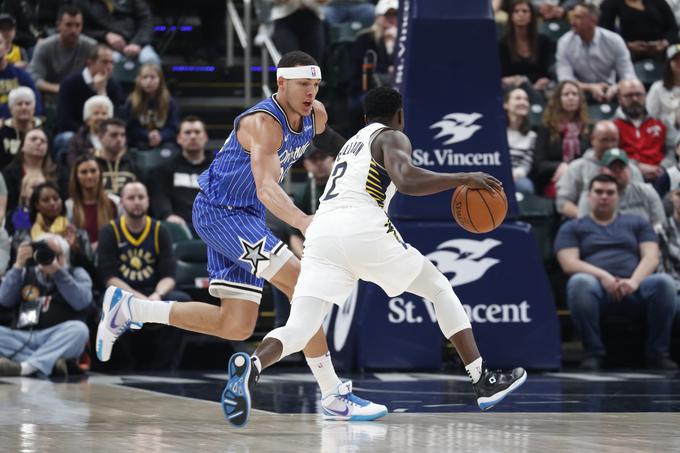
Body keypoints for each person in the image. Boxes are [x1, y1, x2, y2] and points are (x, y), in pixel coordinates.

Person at [95, 51, 385, 420]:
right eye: (303, 85)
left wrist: (367, 156)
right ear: (281, 83)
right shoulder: (263, 123)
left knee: (236, 323)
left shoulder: (317, 113)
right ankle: (332, 394)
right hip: (220, 213)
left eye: (315, 85)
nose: (310, 92)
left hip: (245, 216)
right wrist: (302, 220)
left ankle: (130, 308)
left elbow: (329, 142)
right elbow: (266, 187)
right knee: (302, 284)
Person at [222, 86, 527, 427]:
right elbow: (407, 180)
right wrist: (465, 176)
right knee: (439, 288)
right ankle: (481, 377)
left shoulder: (354, 143)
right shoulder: (392, 137)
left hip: (321, 230)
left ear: (366, 117)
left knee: (300, 327)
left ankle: (254, 363)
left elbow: (332, 144)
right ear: (400, 116)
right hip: (361, 224)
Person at [555, 173, 677, 370]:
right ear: (588, 196)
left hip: (635, 288)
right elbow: (569, 263)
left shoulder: (637, 223)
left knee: (664, 283)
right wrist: (604, 276)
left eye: (610, 192)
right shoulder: (572, 227)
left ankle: (658, 353)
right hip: (596, 290)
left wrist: (634, 282)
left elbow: (651, 257)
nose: (604, 196)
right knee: (579, 282)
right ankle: (593, 353)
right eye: (599, 192)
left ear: (618, 196)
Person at [0, 233, 91, 377]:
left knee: (80, 330)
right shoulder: (25, 273)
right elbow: (4, 299)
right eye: (42, 252)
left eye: (51, 253)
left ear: (63, 257)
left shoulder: (77, 273)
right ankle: (51, 363)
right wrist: (17, 266)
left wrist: (58, 273)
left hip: (58, 337)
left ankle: (24, 367)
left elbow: (82, 302)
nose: (45, 257)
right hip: (24, 337)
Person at [556, 120, 644, 218]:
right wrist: (589, 219)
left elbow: (642, 198)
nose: (610, 145)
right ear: (592, 140)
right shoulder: (577, 168)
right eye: (604, 140)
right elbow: (562, 204)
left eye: (614, 140)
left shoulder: (631, 169)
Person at [555, 2, 637, 103]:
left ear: (593, 21)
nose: (572, 21)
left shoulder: (614, 40)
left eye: (578, 17)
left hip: (610, 90)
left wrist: (617, 87)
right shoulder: (564, 42)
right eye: (572, 17)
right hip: (579, 92)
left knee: (632, 91)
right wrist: (590, 87)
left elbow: (629, 75)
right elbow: (565, 80)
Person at [151, 116, 212, 235]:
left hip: (212, 227)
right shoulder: (164, 169)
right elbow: (160, 196)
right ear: (179, 138)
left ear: (205, 137)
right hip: (179, 228)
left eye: (197, 132)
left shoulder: (217, 170)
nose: (193, 136)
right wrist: (168, 215)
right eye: (187, 133)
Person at [577, 148, 665, 229]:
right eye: (612, 168)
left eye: (621, 168)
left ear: (630, 170)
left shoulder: (647, 191)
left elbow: (660, 223)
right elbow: (583, 227)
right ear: (602, 171)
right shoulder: (590, 196)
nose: (617, 172)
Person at [533, 80, 590, 196]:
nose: (571, 98)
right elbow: (539, 165)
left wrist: (571, 168)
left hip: (584, 178)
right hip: (555, 180)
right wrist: (560, 165)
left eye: (574, 94)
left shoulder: (587, 127)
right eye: (566, 94)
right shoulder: (547, 128)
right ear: (558, 99)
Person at [55, 45, 124, 136]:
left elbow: (117, 118)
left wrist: (102, 92)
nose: (109, 67)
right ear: (90, 62)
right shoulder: (70, 83)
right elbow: (64, 120)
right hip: (75, 133)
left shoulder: (113, 85)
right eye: (105, 62)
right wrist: (88, 135)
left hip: (105, 136)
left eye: (112, 63)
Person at [28, 5, 97, 97]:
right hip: (51, 96)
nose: (73, 30)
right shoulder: (44, 46)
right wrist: (61, 88)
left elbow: (99, 74)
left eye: (77, 25)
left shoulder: (91, 46)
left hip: (81, 96)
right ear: (58, 25)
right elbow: (34, 78)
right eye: (68, 25)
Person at [75, 0, 160, 65]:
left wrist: (137, 43)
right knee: (110, 60)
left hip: (135, 42)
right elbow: (80, 30)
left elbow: (146, 21)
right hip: (102, 45)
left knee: (150, 59)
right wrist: (105, 35)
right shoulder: (84, 2)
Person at [614, 79, 667, 181]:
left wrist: (662, 167)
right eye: (629, 95)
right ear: (620, 99)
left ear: (645, 96)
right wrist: (636, 167)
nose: (635, 99)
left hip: (661, 175)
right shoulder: (612, 126)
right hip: (627, 177)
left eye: (639, 94)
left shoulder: (661, 122)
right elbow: (610, 155)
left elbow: (673, 149)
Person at [498, 0, 554, 96]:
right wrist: (515, 80)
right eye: (516, 11)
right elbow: (503, 75)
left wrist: (543, 80)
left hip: (539, 88)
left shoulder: (544, 41)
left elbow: (547, 72)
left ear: (531, 15)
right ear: (511, 16)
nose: (520, 14)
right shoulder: (502, 44)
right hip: (513, 89)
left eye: (525, 11)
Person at [121, 63, 179, 150]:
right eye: (145, 77)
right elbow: (129, 128)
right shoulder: (132, 101)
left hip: (164, 141)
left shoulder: (169, 102)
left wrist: (161, 135)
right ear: (139, 80)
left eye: (152, 77)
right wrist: (147, 135)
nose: (148, 81)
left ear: (160, 80)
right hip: (139, 142)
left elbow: (173, 127)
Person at [66, 154, 117, 249]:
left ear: (100, 173)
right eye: (84, 172)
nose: (89, 176)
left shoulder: (115, 202)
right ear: (76, 176)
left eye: (93, 171)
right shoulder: (69, 206)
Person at [599, 0, 677, 61]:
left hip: (660, 51)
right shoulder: (611, 3)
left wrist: (665, 42)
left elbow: (673, 28)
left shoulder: (658, 2)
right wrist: (627, 44)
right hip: (627, 52)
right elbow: (605, 31)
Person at [2, 127, 56, 214]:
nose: (38, 142)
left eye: (43, 141)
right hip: (19, 218)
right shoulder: (8, 174)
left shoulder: (58, 173)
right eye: (33, 139)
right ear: (22, 146)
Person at [646, 44, 680, 158]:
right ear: (669, 63)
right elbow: (650, 116)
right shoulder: (658, 88)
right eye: (675, 59)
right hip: (665, 136)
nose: (679, 62)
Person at [0, 87, 44, 170]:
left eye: (27, 103)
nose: (24, 107)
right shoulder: (2, 132)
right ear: (10, 109)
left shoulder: (43, 131)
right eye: (19, 104)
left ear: (34, 108)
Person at [63, 94, 114, 167]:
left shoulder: (117, 139)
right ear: (87, 119)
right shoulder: (76, 141)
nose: (100, 117)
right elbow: (74, 165)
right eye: (96, 113)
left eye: (104, 114)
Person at [0, 33, 42, 119]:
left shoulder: (21, 74)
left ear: (6, 47)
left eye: (0, 43)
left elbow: (36, 104)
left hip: (20, 123)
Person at [93, 118, 139, 196]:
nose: (119, 139)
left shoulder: (135, 161)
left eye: (123, 135)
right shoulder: (91, 162)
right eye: (114, 135)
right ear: (100, 137)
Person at [504, 87, 536, 195]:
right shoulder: (496, 132)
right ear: (506, 104)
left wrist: (515, 174)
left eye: (526, 99)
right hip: (494, 175)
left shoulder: (532, 136)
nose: (523, 102)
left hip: (517, 177)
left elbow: (526, 163)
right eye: (518, 98)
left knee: (526, 187)